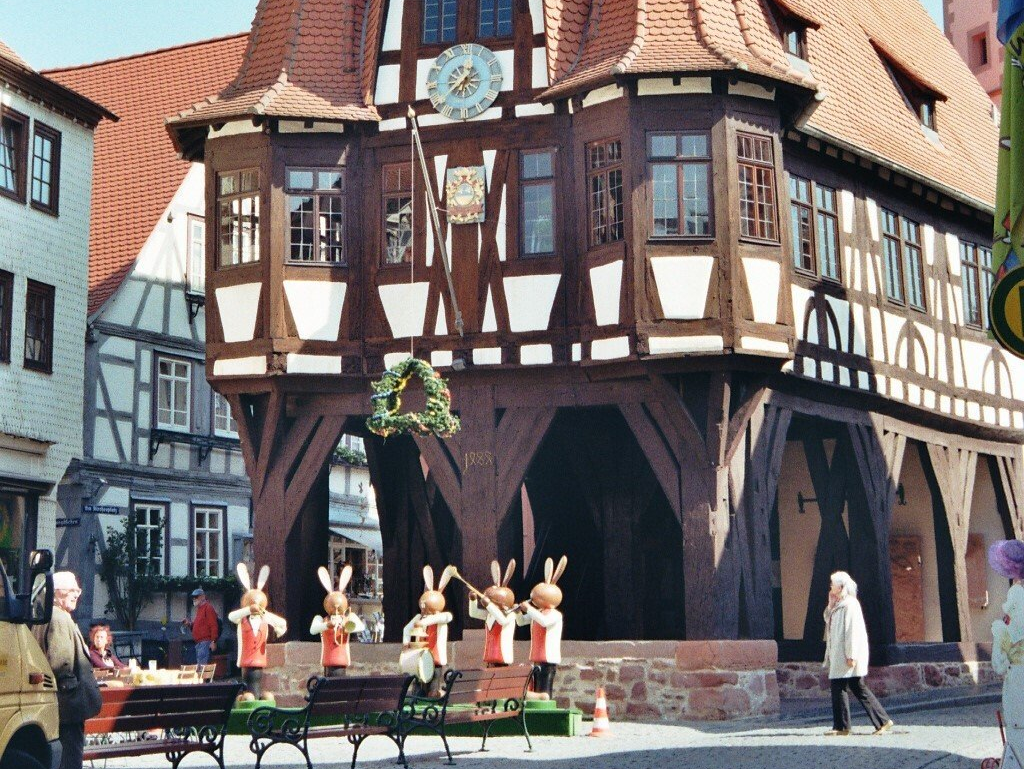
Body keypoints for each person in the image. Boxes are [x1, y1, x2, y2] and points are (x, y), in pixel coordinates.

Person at [33, 571, 102, 769]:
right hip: (67, 708)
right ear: (56, 593)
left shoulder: (45, 615)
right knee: (70, 761)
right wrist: (72, 695)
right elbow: (61, 664)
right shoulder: (60, 618)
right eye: (71, 590)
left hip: (54, 705)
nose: (76, 594)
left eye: (77, 590)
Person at [823, 571, 893, 736]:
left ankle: (845, 726)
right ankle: (877, 721)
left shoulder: (851, 605)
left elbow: (853, 631)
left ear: (840, 587)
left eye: (833, 583)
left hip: (846, 655)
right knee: (849, 686)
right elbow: (828, 620)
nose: (831, 586)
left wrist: (851, 655)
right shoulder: (839, 604)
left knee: (847, 686)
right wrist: (830, 605)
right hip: (839, 654)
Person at [182, 587, 219, 666]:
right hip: (200, 643)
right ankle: (203, 678)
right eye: (193, 597)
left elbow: (214, 625)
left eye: (196, 596)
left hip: (205, 643)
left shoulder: (208, 608)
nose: (194, 599)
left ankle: (204, 679)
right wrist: (189, 624)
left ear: (203, 597)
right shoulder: (200, 609)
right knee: (201, 667)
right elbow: (198, 625)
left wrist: (213, 641)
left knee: (202, 668)